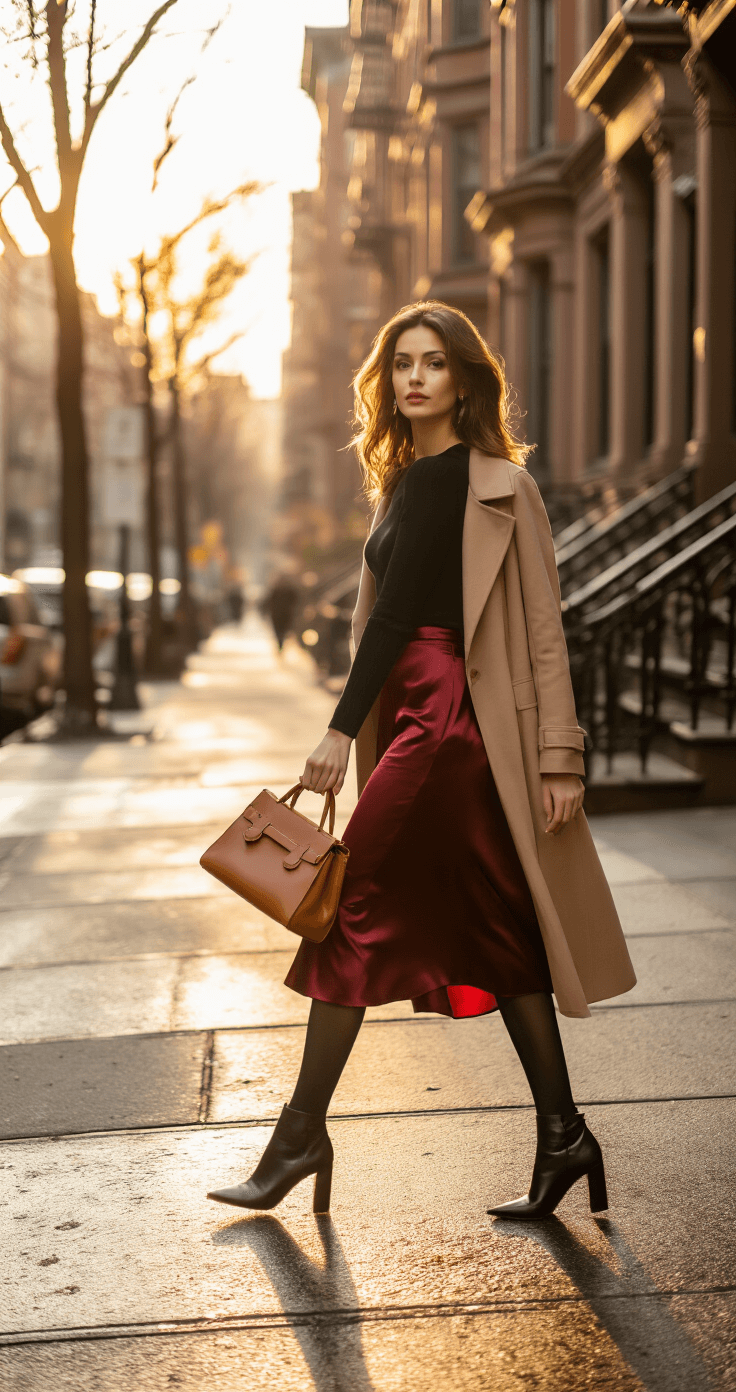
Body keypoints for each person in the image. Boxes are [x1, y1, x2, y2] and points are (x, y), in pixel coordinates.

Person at [207, 302, 636, 1221]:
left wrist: (559, 755)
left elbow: (530, 631)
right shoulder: (402, 482)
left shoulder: (493, 485)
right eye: (402, 362)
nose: (414, 378)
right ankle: (564, 1136)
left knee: (346, 911)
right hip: (413, 716)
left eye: (434, 363)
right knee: (495, 919)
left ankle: (299, 1136)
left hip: (449, 724)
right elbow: (381, 621)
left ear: (464, 380)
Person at [264, 573, 299, 652]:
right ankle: (281, 644)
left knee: (279, 630)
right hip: (284, 614)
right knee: (282, 630)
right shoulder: (289, 590)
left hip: (278, 614)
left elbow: (269, 602)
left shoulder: (276, 590)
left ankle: (280, 644)